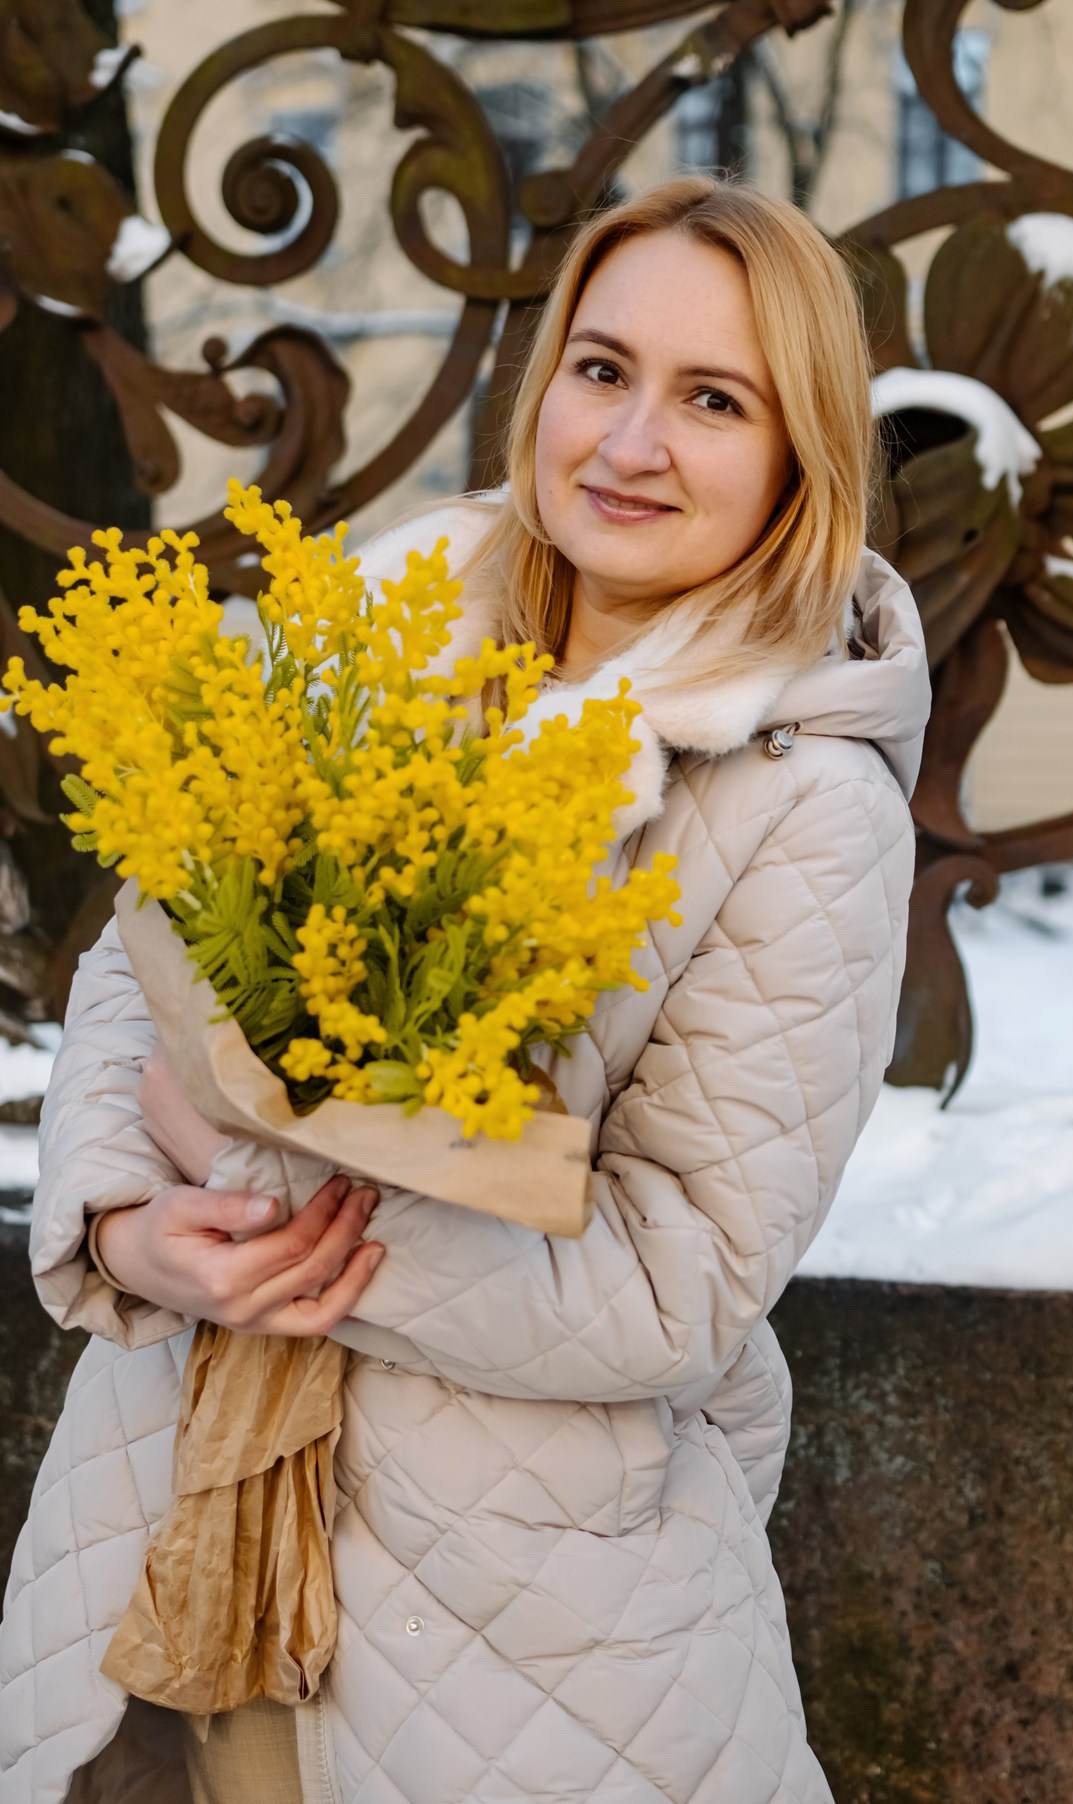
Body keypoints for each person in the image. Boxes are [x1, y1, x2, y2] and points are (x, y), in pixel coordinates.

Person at [0, 175, 929, 1804]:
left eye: (712, 400)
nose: (629, 442)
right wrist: (127, 1231)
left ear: (802, 454)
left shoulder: (806, 804)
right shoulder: (378, 610)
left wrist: (252, 1176)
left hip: (535, 1638)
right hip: (163, 1516)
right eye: (599, 367)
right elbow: (140, 967)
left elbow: (674, 1282)